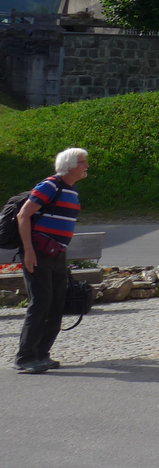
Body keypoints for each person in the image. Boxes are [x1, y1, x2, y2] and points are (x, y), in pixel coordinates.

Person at [13, 148, 89, 374]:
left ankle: (42, 354)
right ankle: (25, 357)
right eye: (83, 162)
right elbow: (23, 215)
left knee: (57, 304)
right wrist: (28, 250)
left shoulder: (71, 190)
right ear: (70, 166)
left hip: (57, 254)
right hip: (39, 253)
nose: (87, 166)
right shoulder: (50, 185)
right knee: (40, 304)